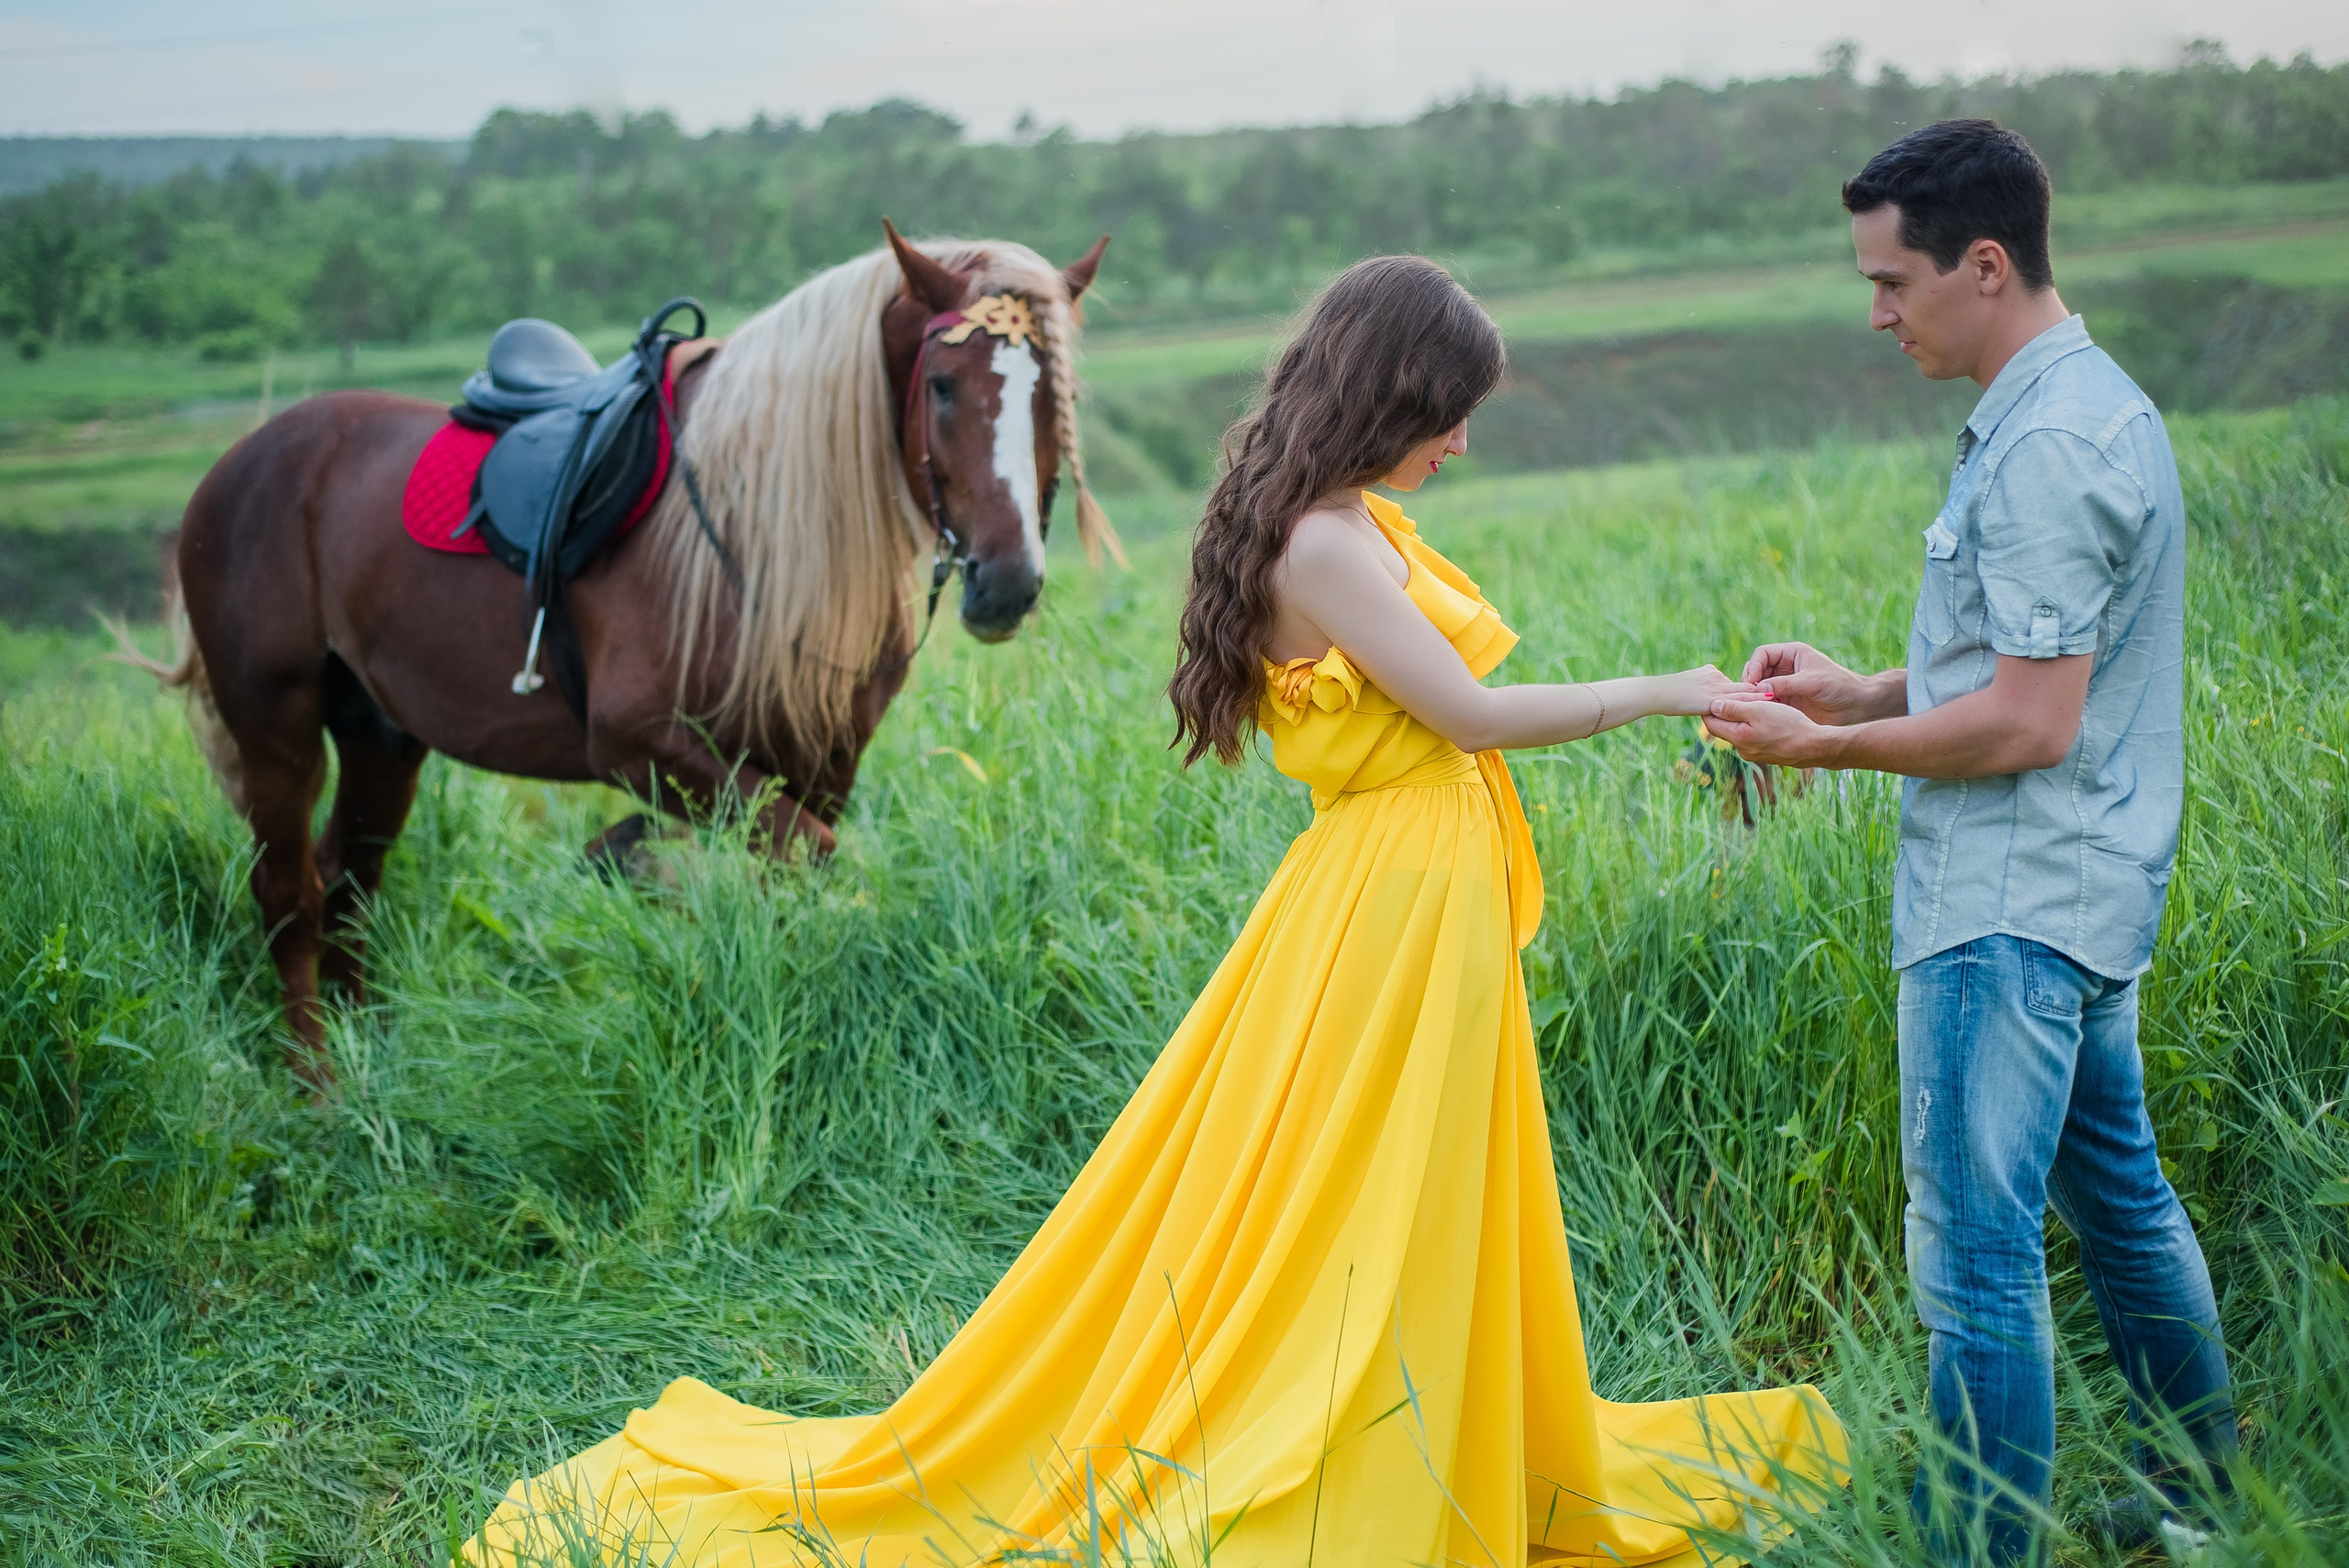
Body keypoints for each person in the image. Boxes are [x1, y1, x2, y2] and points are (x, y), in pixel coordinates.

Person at [470, 255, 1846, 1567]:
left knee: (1427, 1182)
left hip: (1424, 884)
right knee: (1374, 1190)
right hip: (1395, 895)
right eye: (1450, 415)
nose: (1464, 445)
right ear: (1387, 395)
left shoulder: (1358, 516)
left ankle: (1443, 1418)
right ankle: (1356, 1436)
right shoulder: (1323, 544)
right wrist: (1672, 689)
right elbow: (1469, 711)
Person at [1702, 120, 2234, 1562]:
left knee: (1975, 1265)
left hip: (2005, 909)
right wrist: (1860, 687)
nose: (1876, 313)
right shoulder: (2081, 402)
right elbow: (2018, 668)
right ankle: (2206, 1509)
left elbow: (2026, 722)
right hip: (2083, 887)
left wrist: (1830, 748)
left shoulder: (2051, 445)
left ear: (1983, 265)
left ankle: (1978, 1549)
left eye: (1893, 283)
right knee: (2120, 1204)